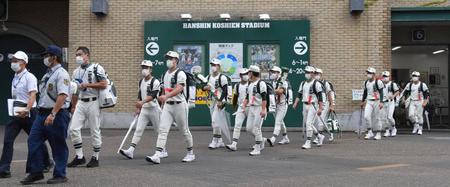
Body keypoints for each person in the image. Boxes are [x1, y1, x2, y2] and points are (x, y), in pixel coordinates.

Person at [21, 45, 71, 184]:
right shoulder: (48, 73)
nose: (45, 58)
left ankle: (60, 174)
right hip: (42, 114)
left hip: (56, 114)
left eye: (47, 56)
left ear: (54, 57)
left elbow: (62, 95)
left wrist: (53, 114)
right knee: (33, 141)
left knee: (58, 145)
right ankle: (36, 172)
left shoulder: (62, 74)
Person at [0, 51, 52, 179]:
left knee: (36, 139)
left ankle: (47, 162)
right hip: (16, 113)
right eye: (12, 60)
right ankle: (4, 169)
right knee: (7, 140)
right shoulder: (15, 76)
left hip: (29, 113)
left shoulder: (30, 77)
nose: (13, 63)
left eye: (16, 60)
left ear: (23, 62)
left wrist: (27, 110)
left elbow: (33, 95)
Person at [146, 51, 195, 164]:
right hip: (167, 106)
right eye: (167, 58)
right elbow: (163, 90)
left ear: (176, 60)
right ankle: (158, 154)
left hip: (180, 105)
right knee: (162, 130)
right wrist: (162, 105)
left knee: (184, 131)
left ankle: (190, 153)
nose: (168, 60)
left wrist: (166, 96)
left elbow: (179, 88)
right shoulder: (164, 74)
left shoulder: (180, 73)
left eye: (171, 58)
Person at [67, 47, 108, 168]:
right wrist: (73, 106)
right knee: (73, 129)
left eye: (80, 54)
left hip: (93, 101)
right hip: (80, 101)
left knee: (94, 130)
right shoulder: (75, 72)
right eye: (76, 55)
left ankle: (95, 157)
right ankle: (80, 156)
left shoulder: (96, 68)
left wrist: (88, 84)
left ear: (87, 55)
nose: (77, 57)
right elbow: (74, 91)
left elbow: (104, 83)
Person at [119, 60, 163, 159]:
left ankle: (162, 150)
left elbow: (153, 95)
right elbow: (140, 95)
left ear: (151, 69)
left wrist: (142, 103)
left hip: (154, 109)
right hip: (144, 110)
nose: (144, 70)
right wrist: (138, 108)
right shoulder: (141, 81)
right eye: (143, 67)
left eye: (146, 68)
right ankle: (131, 150)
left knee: (158, 131)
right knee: (138, 130)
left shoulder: (155, 81)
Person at [293, 66, 325, 149]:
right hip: (305, 105)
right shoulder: (303, 83)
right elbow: (299, 94)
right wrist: (296, 103)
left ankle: (308, 142)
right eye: (306, 72)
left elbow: (320, 96)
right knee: (308, 124)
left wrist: (321, 108)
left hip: (313, 105)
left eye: (308, 72)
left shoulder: (316, 83)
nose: (306, 74)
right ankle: (319, 136)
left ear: (313, 74)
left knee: (308, 123)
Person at [204, 58, 229, 149]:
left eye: (215, 65)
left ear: (219, 66)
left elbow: (225, 91)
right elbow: (204, 87)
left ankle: (215, 140)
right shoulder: (208, 77)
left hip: (220, 101)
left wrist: (220, 101)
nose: (213, 67)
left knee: (215, 121)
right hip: (211, 101)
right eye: (212, 65)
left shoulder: (222, 77)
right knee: (215, 122)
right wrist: (204, 88)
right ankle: (220, 141)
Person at [243, 65, 268, 156]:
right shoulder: (250, 83)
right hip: (251, 108)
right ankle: (261, 140)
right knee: (249, 128)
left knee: (257, 128)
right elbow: (247, 96)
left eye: (249, 72)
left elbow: (264, 98)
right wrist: (244, 105)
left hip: (259, 107)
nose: (248, 74)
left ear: (252, 73)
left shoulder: (261, 83)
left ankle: (257, 148)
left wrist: (263, 109)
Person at [226, 68, 250, 151]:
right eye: (244, 74)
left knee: (252, 129)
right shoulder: (237, 85)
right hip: (240, 107)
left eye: (247, 73)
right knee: (237, 125)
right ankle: (234, 144)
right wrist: (234, 107)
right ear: (240, 75)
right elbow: (235, 96)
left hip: (251, 107)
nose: (246, 75)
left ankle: (261, 141)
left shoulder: (251, 84)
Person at [267, 66, 290, 146]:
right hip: (276, 104)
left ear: (279, 73)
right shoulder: (274, 82)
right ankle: (285, 138)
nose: (273, 73)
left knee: (277, 122)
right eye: (272, 72)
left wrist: (271, 91)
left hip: (282, 105)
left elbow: (280, 91)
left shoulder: (284, 81)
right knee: (281, 122)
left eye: (274, 72)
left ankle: (273, 138)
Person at [313, 68, 336, 143]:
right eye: (315, 74)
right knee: (320, 121)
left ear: (321, 75)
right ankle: (330, 133)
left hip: (324, 104)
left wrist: (332, 105)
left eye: (318, 74)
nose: (317, 75)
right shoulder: (313, 83)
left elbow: (330, 94)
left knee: (320, 120)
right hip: (316, 104)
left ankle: (319, 137)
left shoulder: (326, 83)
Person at [361, 67, 384, 140]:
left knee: (377, 118)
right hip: (369, 101)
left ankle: (378, 133)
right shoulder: (366, 82)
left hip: (377, 101)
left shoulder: (378, 82)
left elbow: (381, 92)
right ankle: (370, 132)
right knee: (366, 116)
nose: (368, 74)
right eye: (368, 73)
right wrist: (362, 101)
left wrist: (381, 102)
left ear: (374, 74)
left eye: (370, 73)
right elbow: (365, 92)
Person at [380, 71, 400, 137]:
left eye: (386, 76)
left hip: (390, 102)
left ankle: (394, 128)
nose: (385, 78)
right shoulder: (380, 84)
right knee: (384, 118)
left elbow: (397, 91)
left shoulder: (392, 84)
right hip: (383, 102)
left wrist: (393, 96)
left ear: (389, 77)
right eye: (384, 76)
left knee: (389, 117)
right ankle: (387, 130)